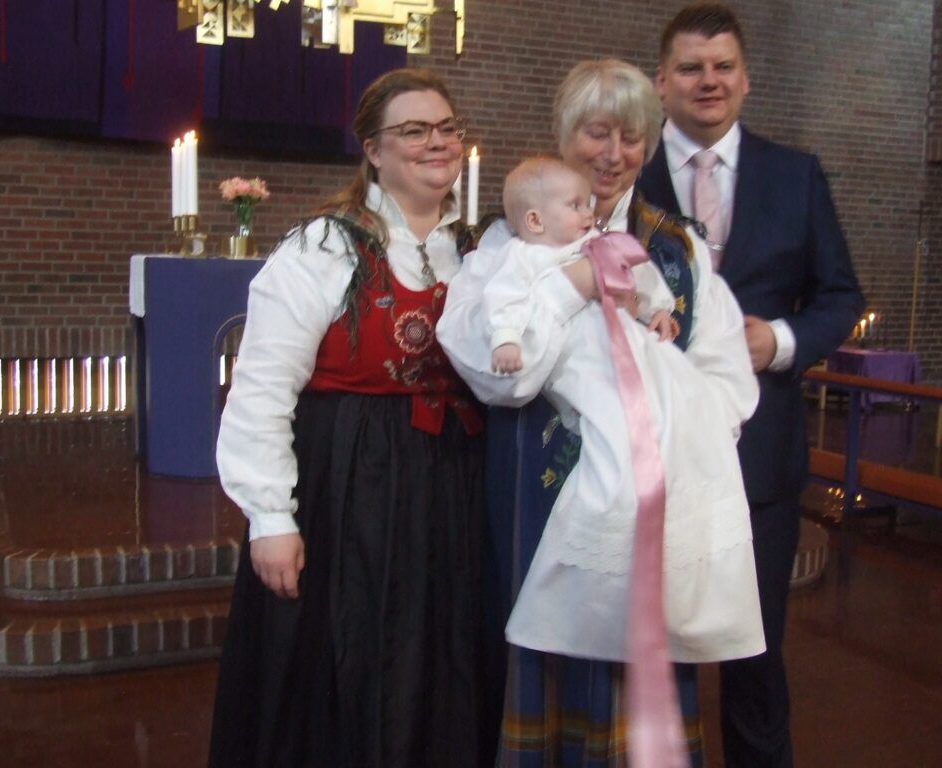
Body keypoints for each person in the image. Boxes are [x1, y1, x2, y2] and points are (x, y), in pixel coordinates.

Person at [437, 58, 759, 767]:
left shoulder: (675, 247)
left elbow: (726, 380)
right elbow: (500, 379)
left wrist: (672, 440)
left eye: (632, 137)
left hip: (653, 504)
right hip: (534, 501)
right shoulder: (506, 244)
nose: (614, 154)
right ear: (564, 135)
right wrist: (572, 286)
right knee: (543, 663)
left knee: (638, 668)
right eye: (596, 133)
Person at [208, 67, 485, 768]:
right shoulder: (323, 248)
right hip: (348, 488)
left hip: (449, 489)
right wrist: (271, 517)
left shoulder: (479, 252)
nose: (436, 143)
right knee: (350, 662)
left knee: (437, 662)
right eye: (413, 131)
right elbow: (262, 389)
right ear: (372, 149)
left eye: (446, 128)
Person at [637, 4, 865, 766]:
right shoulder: (625, 174)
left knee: (755, 658)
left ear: (745, 79)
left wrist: (781, 341)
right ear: (661, 81)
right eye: (691, 68)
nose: (709, 81)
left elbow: (839, 294)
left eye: (723, 67)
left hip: (760, 455)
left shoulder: (794, 175)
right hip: (648, 456)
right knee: (645, 658)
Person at [486, 156, 676, 376]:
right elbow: (504, 293)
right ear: (536, 221)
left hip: (622, 337)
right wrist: (506, 338)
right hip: (572, 354)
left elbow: (638, 269)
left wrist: (658, 308)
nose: (588, 213)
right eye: (576, 206)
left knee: (663, 372)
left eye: (588, 204)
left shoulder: (597, 241)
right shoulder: (521, 254)